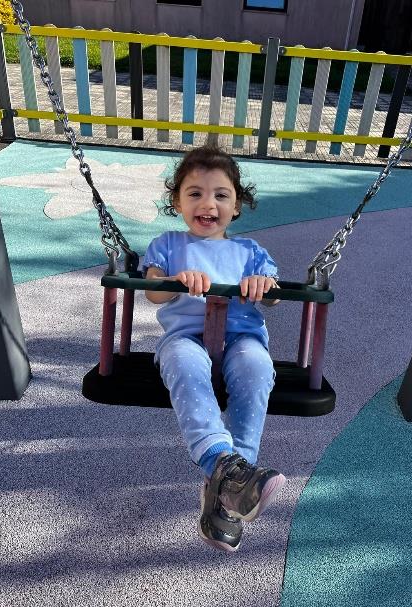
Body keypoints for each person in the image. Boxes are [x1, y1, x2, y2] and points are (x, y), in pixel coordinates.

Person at [143, 145, 286, 553]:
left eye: (221, 195)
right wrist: (173, 280)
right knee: (182, 361)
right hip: (185, 338)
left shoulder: (250, 252)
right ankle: (226, 468)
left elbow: (274, 296)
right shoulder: (168, 245)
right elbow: (152, 292)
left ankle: (229, 487)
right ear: (177, 202)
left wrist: (264, 287)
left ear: (236, 205)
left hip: (242, 339)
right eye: (195, 194)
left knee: (257, 367)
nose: (208, 204)